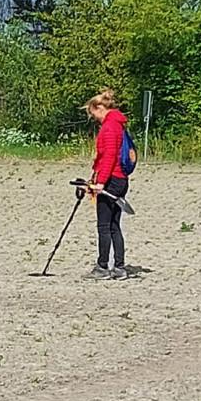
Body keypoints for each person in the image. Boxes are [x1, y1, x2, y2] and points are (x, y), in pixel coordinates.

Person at [85, 90, 130, 281]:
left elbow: (109, 157)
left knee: (105, 225)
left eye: (93, 113)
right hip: (119, 179)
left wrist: (101, 182)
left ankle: (103, 266)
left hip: (112, 180)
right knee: (114, 225)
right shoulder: (118, 124)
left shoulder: (110, 127)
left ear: (100, 108)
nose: (93, 118)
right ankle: (118, 266)